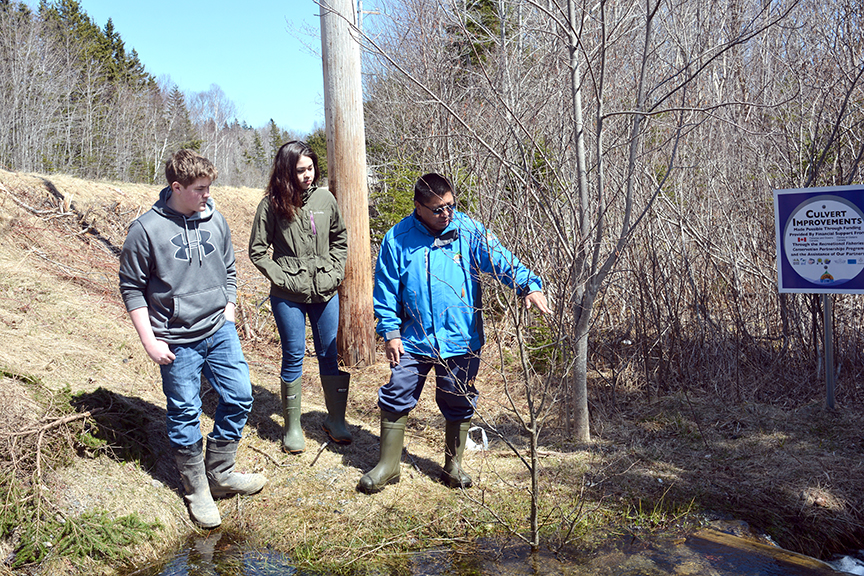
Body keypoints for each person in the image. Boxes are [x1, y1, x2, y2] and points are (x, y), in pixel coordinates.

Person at [358, 173, 550, 494]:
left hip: (461, 339)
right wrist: (390, 332)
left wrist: (528, 285)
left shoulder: (468, 230)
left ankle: (453, 465)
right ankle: (389, 465)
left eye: (450, 205)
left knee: (458, 400)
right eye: (437, 209)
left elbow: (501, 259)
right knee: (396, 395)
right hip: (414, 340)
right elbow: (386, 290)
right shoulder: (397, 238)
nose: (446, 214)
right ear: (418, 207)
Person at [119, 149, 266, 529]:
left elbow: (230, 268)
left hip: (219, 329)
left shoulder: (215, 218)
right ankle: (196, 487)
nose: (207, 195)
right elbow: (132, 289)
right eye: (200, 189)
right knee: (184, 412)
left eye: (209, 188)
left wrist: (229, 309)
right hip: (175, 339)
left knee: (240, 396)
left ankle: (220, 473)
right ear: (176, 187)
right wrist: (150, 341)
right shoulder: (145, 230)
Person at [248, 141, 350, 454]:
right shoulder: (271, 204)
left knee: (328, 355)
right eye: (300, 170)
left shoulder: (325, 199)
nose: (308, 175)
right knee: (293, 355)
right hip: (287, 296)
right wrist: (282, 276)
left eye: (310, 168)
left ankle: (336, 421)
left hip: (324, 291)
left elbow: (340, 240)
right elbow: (257, 251)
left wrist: (334, 274)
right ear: (286, 173)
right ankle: (291, 427)